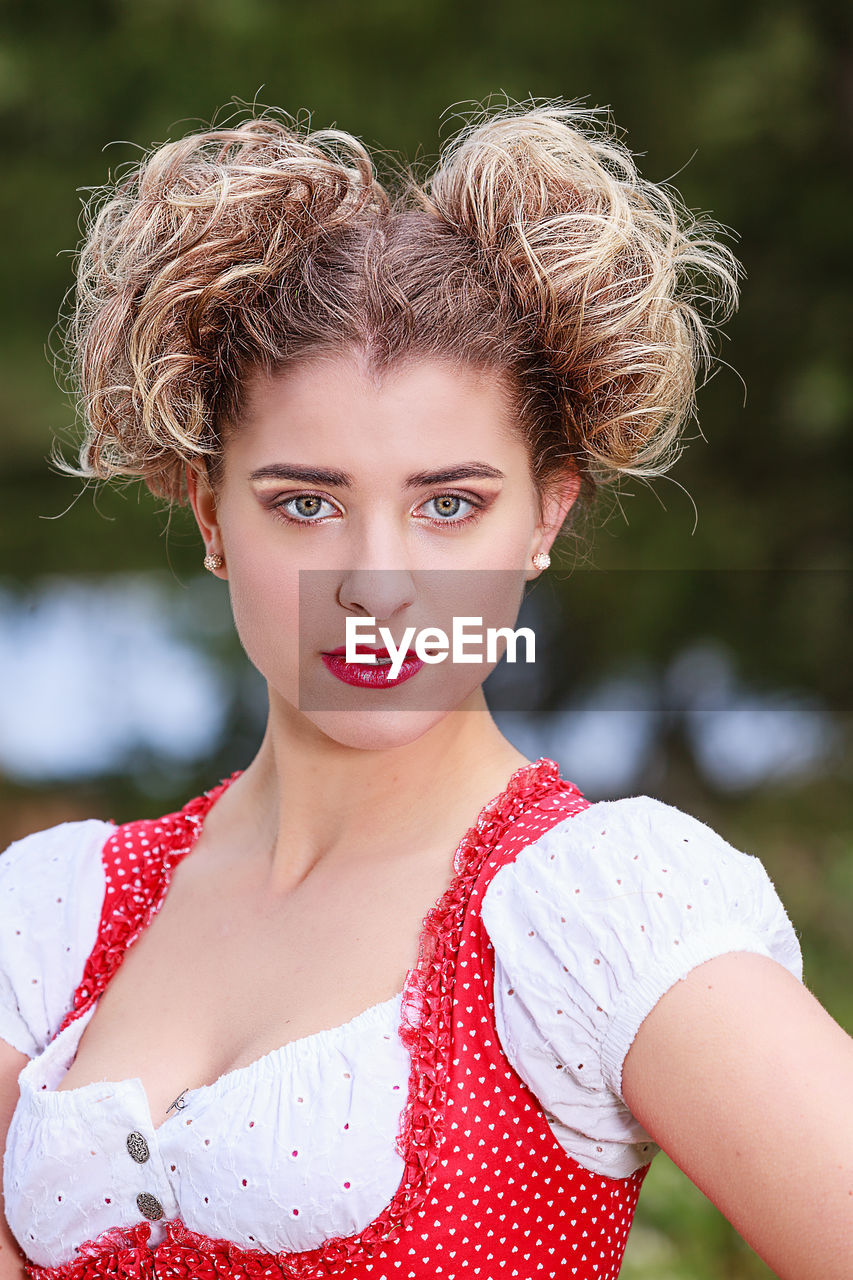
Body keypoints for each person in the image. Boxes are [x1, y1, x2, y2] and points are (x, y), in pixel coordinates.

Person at [0, 100, 850, 1280]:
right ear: (209, 514)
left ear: (546, 513)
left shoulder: (593, 914)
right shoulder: (54, 919)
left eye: (449, 503)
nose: (377, 586)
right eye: (305, 502)